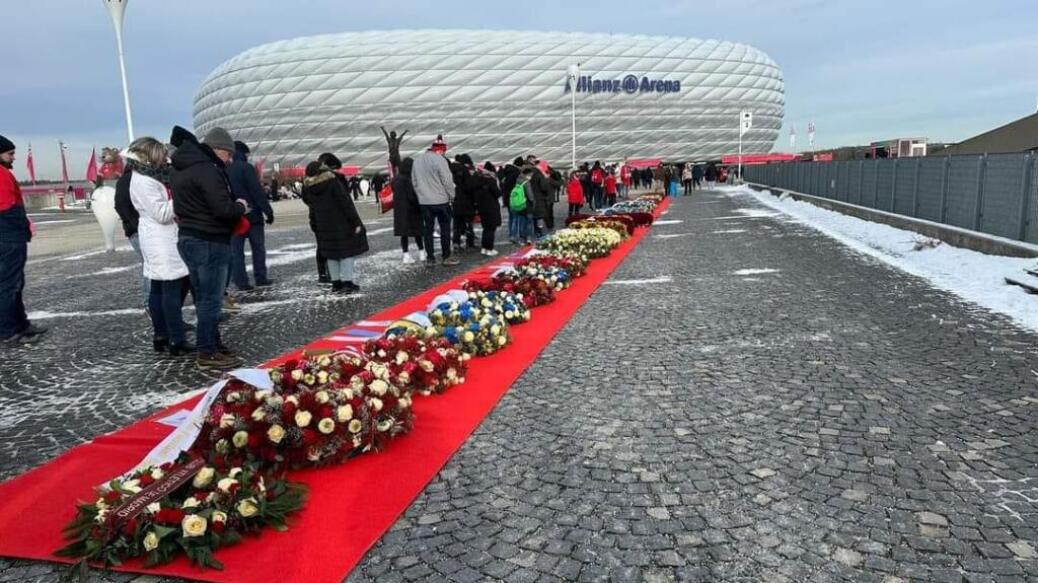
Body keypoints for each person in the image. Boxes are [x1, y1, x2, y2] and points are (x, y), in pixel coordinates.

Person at [169, 126, 248, 368]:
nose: (229, 159)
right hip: (210, 240)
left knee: (203, 296)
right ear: (216, 150)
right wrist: (241, 206)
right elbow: (222, 209)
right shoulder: (207, 170)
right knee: (210, 300)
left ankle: (213, 343)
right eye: (227, 153)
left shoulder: (179, 169)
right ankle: (207, 351)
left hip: (189, 238)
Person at [126, 137, 193, 356]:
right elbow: (162, 213)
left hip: (156, 237)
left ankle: (161, 335)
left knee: (158, 288)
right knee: (171, 289)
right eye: (160, 156)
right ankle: (176, 339)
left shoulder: (143, 177)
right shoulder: (144, 181)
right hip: (161, 239)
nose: (164, 160)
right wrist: (181, 197)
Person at [0, 135, 45, 346]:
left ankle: (20, 324)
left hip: (10, 237)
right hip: (9, 238)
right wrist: (22, 227)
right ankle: (8, 330)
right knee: (9, 285)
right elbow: (7, 208)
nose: (13, 157)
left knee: (14, 283)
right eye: (10, 154)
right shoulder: (1, 175)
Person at [301, 161, 368, 293]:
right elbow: (345, 202)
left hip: (323, 225)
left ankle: (336, 284)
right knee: (346, 251)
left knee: (331, 254)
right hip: (341, 223)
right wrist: (356, 222)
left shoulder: (309, 188)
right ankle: (348, 283)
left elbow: (312, 208)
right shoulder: (332, 182)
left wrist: (314, 224)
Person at [228, 141, 274, 291]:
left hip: (235, 217)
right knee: (258, 249)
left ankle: (241, 282)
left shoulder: (226, 169)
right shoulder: (247, 168)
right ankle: (260, 277)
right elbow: (257, 191)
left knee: (236, 252)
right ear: (243, 153)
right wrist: (268, 211)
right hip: (253, 217)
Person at [412, 135, 458, 266]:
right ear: (440, 150)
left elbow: (414, 182)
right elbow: (447, 181)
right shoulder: (440, 160)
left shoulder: (417, 161)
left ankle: (430, 258)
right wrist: (452, 196)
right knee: (444, 228)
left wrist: (420, 195)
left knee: (428, 229)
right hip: (441, 200)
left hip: (424, 201)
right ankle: (446, 256)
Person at [114, 159, 149, 305]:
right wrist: (137, 225)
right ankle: (151, 304)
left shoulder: (143, 179)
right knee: (151, 266)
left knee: (153, 266)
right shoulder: (127, 180)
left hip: (145, 230)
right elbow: (121, 205)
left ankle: (156, 304)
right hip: (139, 232)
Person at [391, 157, 423, 264]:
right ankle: (422, 252)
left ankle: (406, 255)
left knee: (403, 233)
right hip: (411, 210)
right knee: (418, 231)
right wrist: (419, 205)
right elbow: (412, 196)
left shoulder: (396, 179)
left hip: (400, 210)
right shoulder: (409, 179)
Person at [470, 159, 502, 256]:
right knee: (491, 228)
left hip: (482, 207)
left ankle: (484, 248)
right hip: (491, 207)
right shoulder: (490, 180)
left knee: (485, 228)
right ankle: (489, 248)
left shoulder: (478, 180)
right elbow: (497, 193)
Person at [526, 156, 559, 237]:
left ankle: (535, 232)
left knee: (534, 216)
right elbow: (544, 187)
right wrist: (547, 180)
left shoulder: (530, 172)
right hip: (539, 197)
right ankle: (539, 233)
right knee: (539, 216)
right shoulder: (539, 173)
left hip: (531, 196)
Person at [450, 156, 476, 251]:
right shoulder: (465, 170)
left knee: (456, 224)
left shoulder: (449, 169)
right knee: (469, 223)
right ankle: (470, 242)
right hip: (467, 202)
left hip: (454, 201)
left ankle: (456, 242)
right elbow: (470, 187)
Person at [498, 157, 522, 245]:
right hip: (515, 199)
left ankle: (512, 234)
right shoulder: (516, 173)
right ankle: (514, 236)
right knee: (516, 217)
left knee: (511, 217)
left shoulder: (506, 172)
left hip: (507, 198)